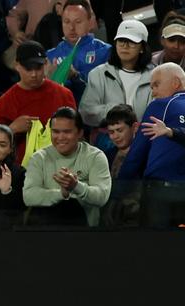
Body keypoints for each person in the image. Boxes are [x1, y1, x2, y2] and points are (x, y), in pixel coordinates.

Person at [118, 62, 185, 228]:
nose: (153, 93)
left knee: (154, 249)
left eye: (156, 85)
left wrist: (119, 189)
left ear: (176, 83)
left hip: (162, 192)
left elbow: (136, 154)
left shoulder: (160, 105)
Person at [0, 40, 76, 162]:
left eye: (38, 67)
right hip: (23, 172)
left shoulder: (64, 94)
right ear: (17, 65)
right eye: (28, 69)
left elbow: (76, 133)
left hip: (62, 165)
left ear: (46, 63)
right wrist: (12, 129)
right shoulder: (5, 102)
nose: (34, 74)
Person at [22, 106, 109, 225]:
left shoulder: (95, 156)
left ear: (80, 133)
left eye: (67, 132)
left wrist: (76, 186)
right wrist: (62, 193)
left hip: (85, 232)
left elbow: (102, 197)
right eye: (55, 131)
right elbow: (29, 197)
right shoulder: (39, 158)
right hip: (44, 231)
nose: (60, 137)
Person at [78, 19, 151, 133]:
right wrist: (116, 112)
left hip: (143, 135)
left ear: (142, 47)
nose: (125, 46)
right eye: (121, 40)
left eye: (131, 41)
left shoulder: (154, 75)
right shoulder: (98, 74)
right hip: (109, 137)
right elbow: (86, 112)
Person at [45, 0, 107, 102]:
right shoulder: (50, 56)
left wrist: (75, 76)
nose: (71, 28)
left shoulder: (104, 51)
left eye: (78, 22)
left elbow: (105, 92)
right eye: (66, 22)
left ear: (89, 21)